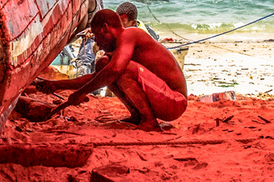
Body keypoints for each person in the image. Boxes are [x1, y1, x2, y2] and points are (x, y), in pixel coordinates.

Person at [35, 9, 187, 129]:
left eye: (96, 35)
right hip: (163, 98)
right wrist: (57, 85)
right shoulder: (121, 46)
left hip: (175, 102)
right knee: (103, 64)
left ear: (105, 28)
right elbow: (98, 77)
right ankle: (137, 115)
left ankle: (149, 121)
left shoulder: (129, 34)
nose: (97, 43)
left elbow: (115, 70)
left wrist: (81, 93)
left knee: (122, 69)